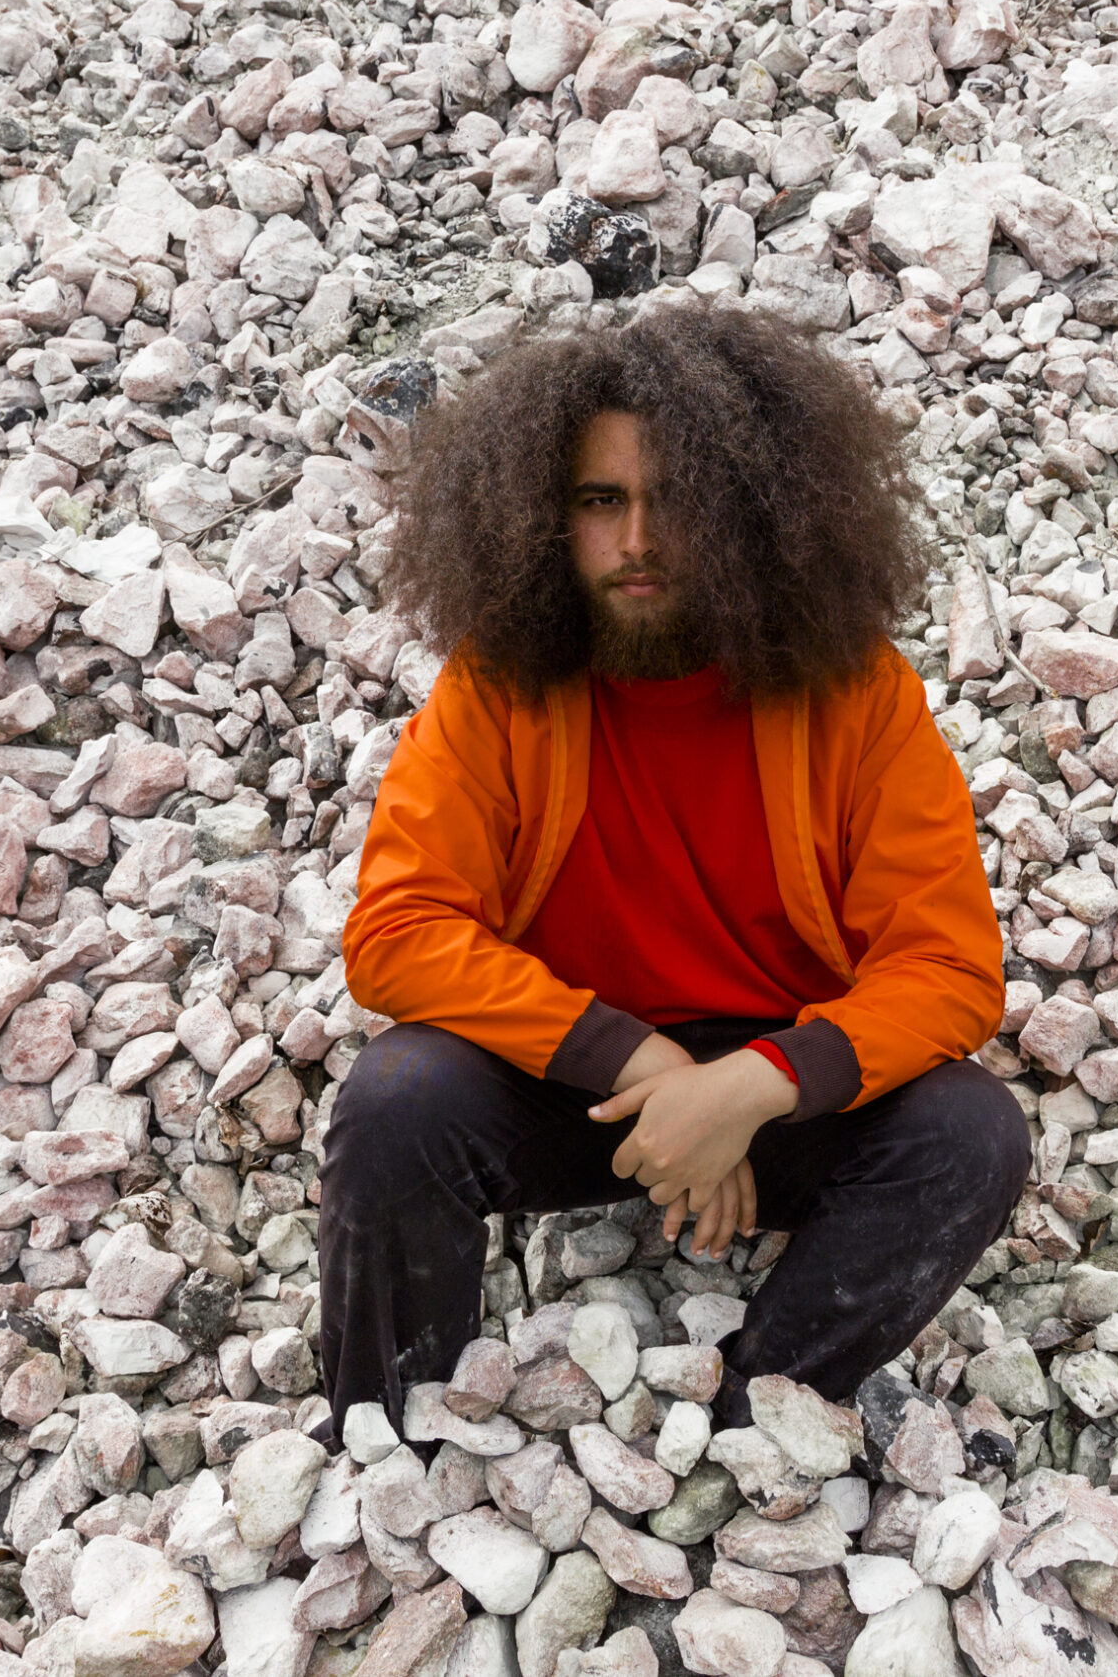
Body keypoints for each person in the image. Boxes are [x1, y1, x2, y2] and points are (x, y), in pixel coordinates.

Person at [319, 299, 1031, 1436]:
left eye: (675, 501)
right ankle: (382, 1430)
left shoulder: (856, 692)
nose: (638, 540)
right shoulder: (496, 689)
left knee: (970, 1137)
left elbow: (947, 970)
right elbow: (398, 935)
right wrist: (644, 1061)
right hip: (569, 1083)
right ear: (546, 518)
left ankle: (756, 1416)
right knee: (399, 1098)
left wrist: (744, 1092)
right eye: (601, 502)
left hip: (780, 1086)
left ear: (753, 515)